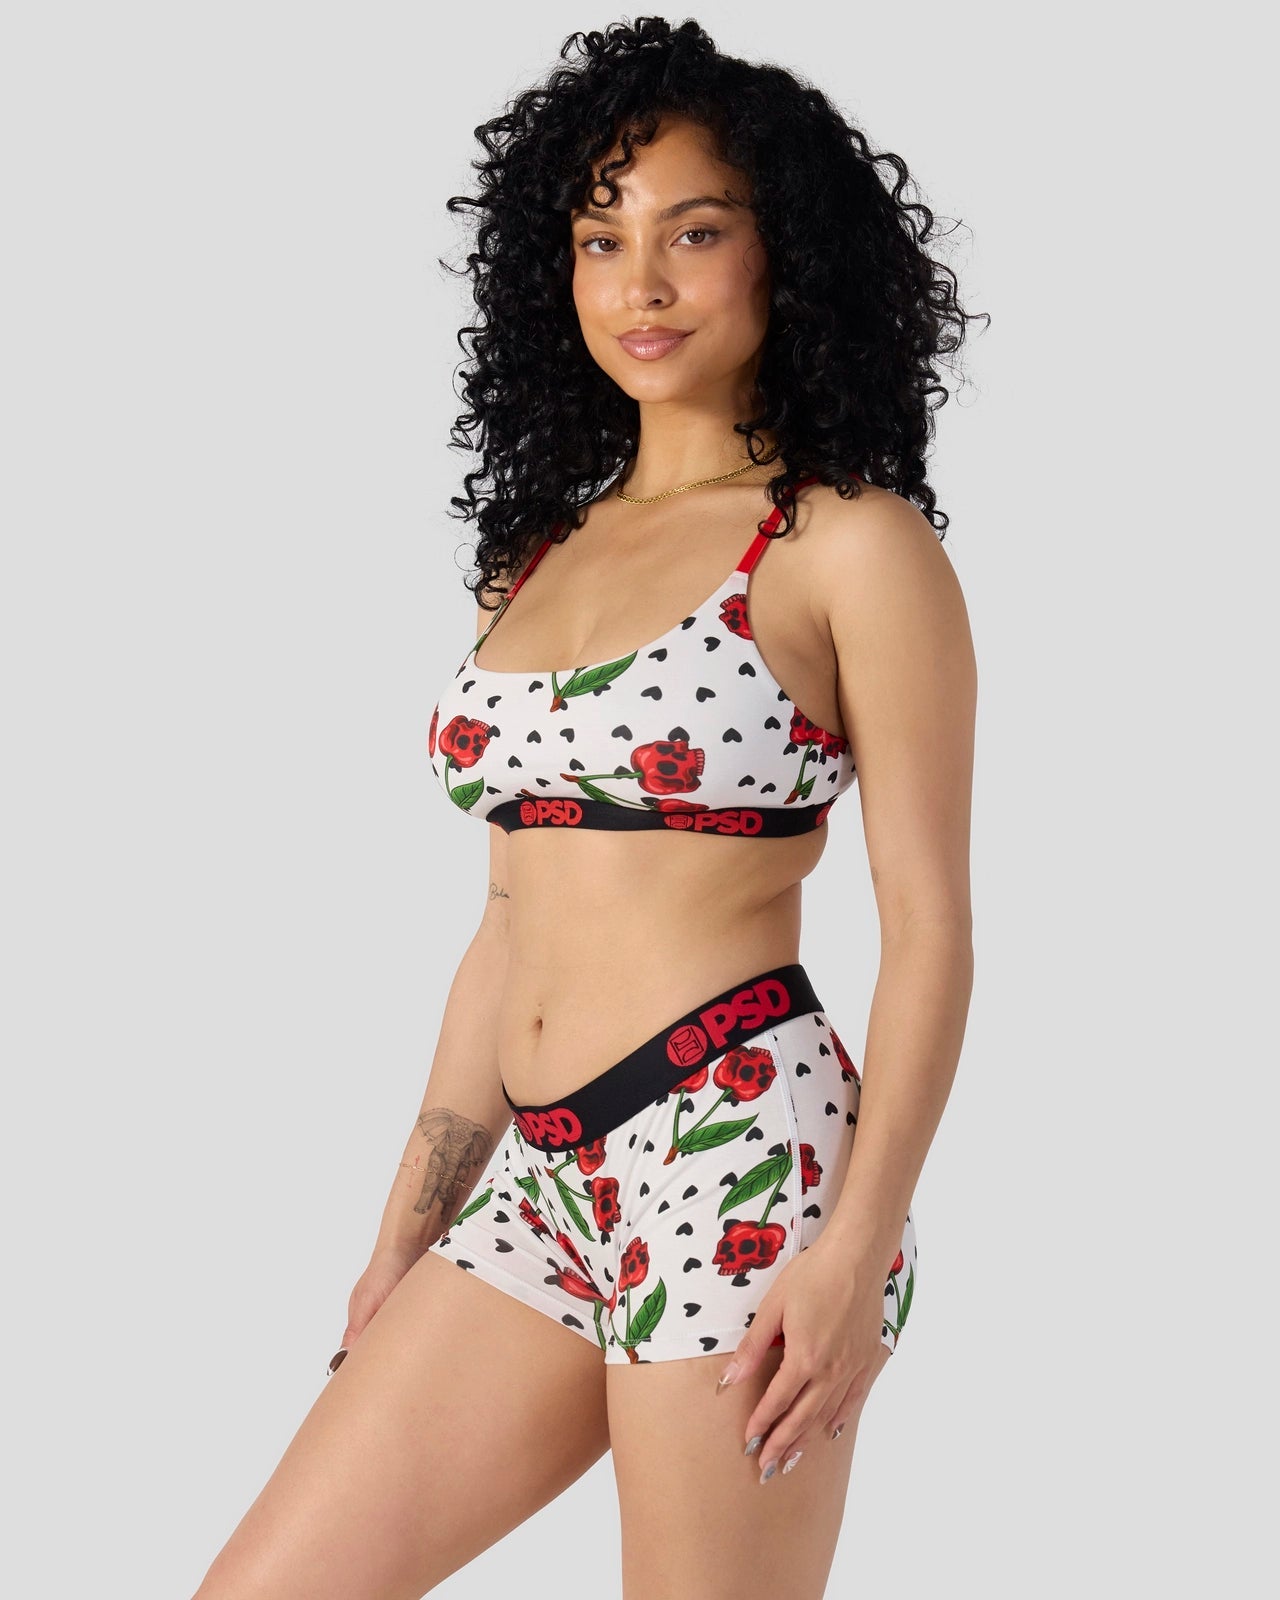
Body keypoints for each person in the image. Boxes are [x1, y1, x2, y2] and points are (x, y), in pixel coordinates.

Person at [194, 16, 980, 1599]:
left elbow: (932, 928)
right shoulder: (533, 559)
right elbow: (506, 927)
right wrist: (404, 1232)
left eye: (696, 232)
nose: (643, 284)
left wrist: (853, 1249)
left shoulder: (844, 544)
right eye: (602, 239)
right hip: (543, 1179)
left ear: (786, 253)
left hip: (741, 1157)